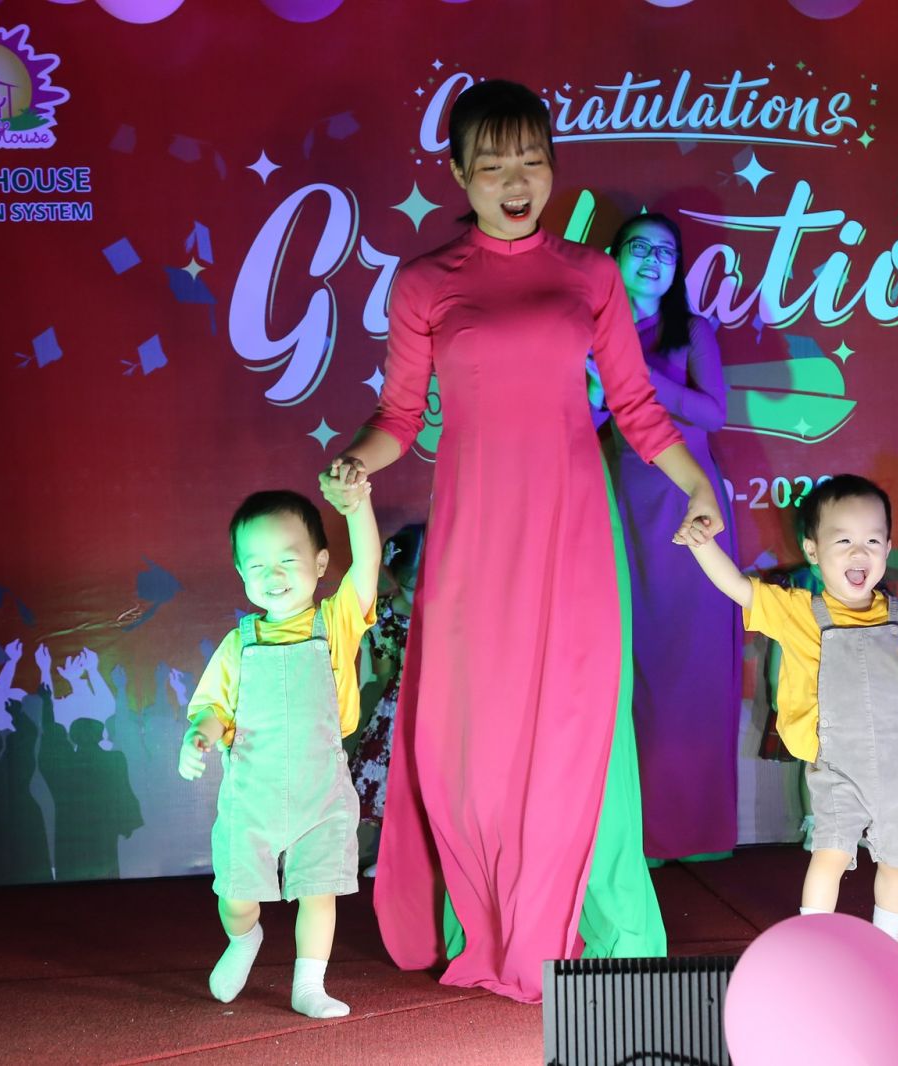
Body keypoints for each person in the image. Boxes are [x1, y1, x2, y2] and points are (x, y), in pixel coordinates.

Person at [318, 79, 724, 1004]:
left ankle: (591, 916)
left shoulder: (591, 275)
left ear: (552, 169)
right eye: (494, 164)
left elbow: (636, 407)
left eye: (532, 162)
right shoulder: (426, 282)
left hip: (576, 528)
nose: (515, 182)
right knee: (478, 730)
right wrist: (355, 463)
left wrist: (696, 484)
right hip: (475, 533)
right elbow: (397, 416)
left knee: (582, 721)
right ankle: (489, 919)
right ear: (459, 173)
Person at [681, 475, 898, 964]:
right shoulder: (800, 612)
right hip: (838, 767)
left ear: (888, 548)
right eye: (843, 540)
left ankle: (887, 948)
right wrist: (703, 546)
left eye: (872, 541)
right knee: (830, 854)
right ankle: (813, 946)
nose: (859, 552)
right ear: (813, 550)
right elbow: (740, 589)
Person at [180, 487, 378, 1019]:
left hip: (319, 792)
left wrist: (357, 504)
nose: (273, 575)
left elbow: (367, 565)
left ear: (320, 563)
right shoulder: (239, 645)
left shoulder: (336, 623)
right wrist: (199, 735)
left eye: (288, 559)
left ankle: (308, 984)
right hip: (252, 796)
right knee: (236, 896)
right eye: (257, 565)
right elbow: (213, 708)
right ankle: (244, 939)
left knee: (319, 891)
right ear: (241, 574)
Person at [603, 211, 741, 863]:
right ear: (613, 258)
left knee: (697, 665)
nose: (653, 260)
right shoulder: (594, 331)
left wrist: (635, 373)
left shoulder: (693, 331)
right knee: (641, 665)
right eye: (639, 248)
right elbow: (588, 414)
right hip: (627, 505)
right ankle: (646, 836)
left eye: (665, 251)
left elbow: (713, 412)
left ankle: (701, 831)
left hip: (693, 506)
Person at [347, 523, 423, 876]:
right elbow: (383, 669)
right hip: (399, 708)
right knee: (394, 782)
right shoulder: (385, 613)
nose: (418, 593)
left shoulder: (451, 609)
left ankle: (433, 862)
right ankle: (393, 858)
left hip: (444, 709)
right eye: (409, 585)